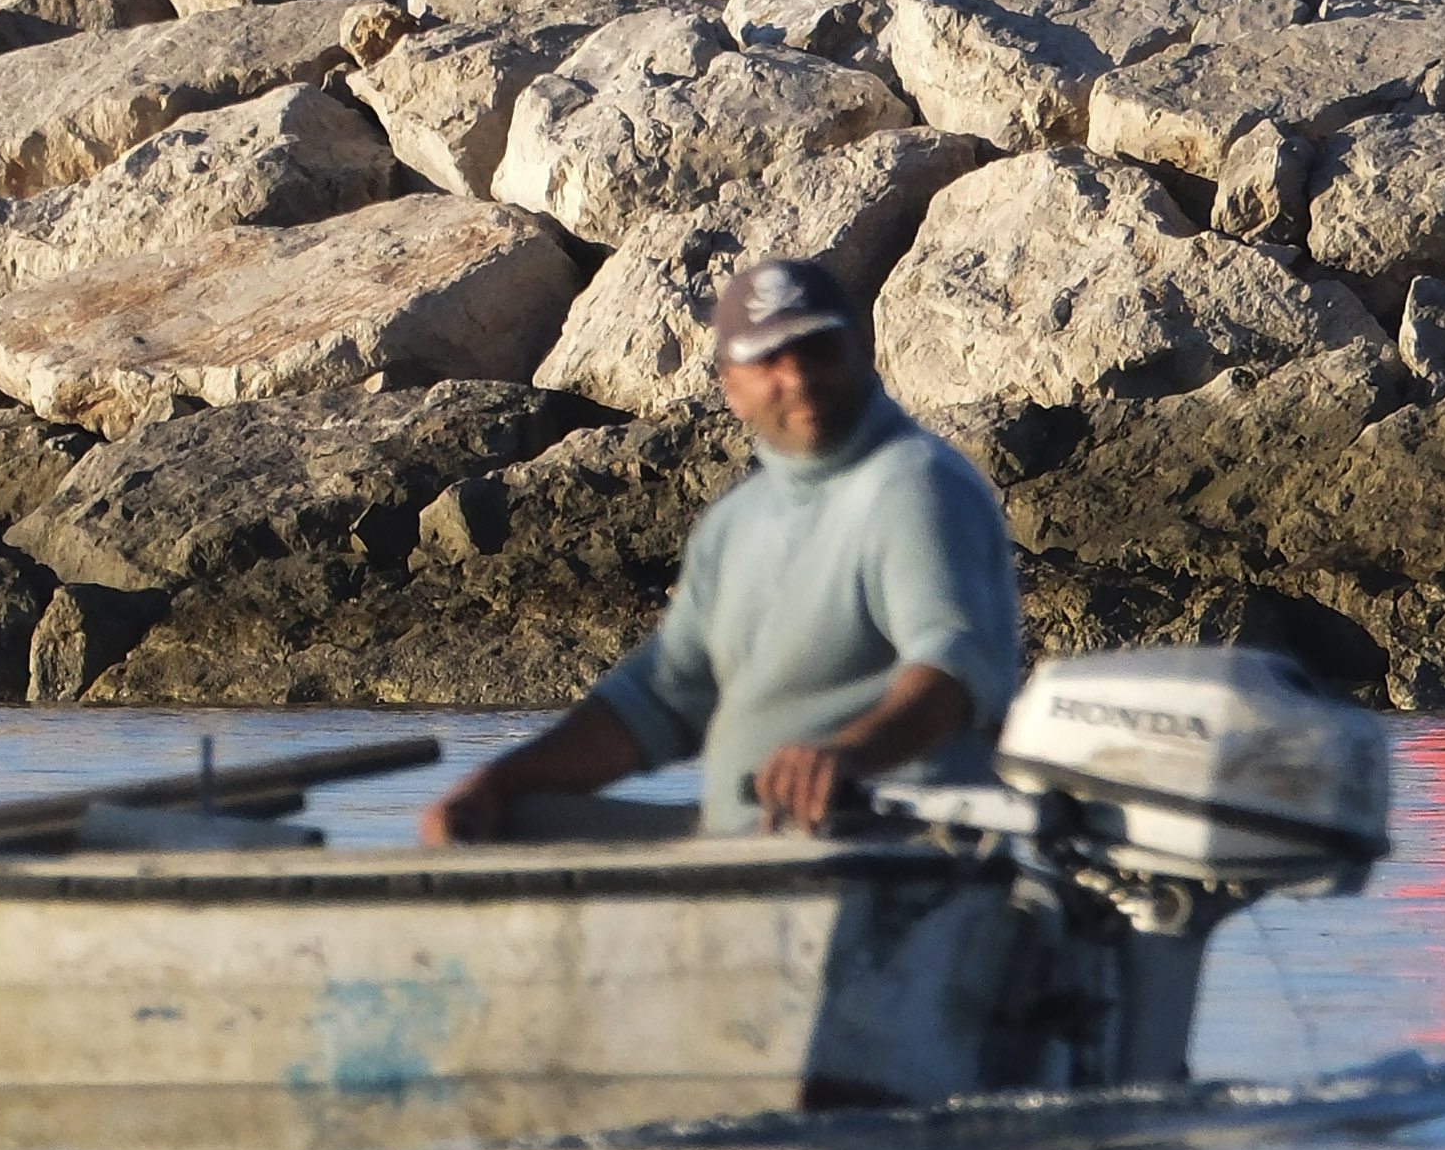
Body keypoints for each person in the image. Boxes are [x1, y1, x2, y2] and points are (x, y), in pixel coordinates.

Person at [424, 253, 1020, 841]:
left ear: (863, 351)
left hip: (890, 850)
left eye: (818, 349)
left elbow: (956, 667)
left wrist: (848, 755)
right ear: (730, 387)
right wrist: (496, 779)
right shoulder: (736, 521)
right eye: (768, 359)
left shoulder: (915, 484)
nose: (799, 376)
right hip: (741, 843)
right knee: (497, 826)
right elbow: (660, 702)